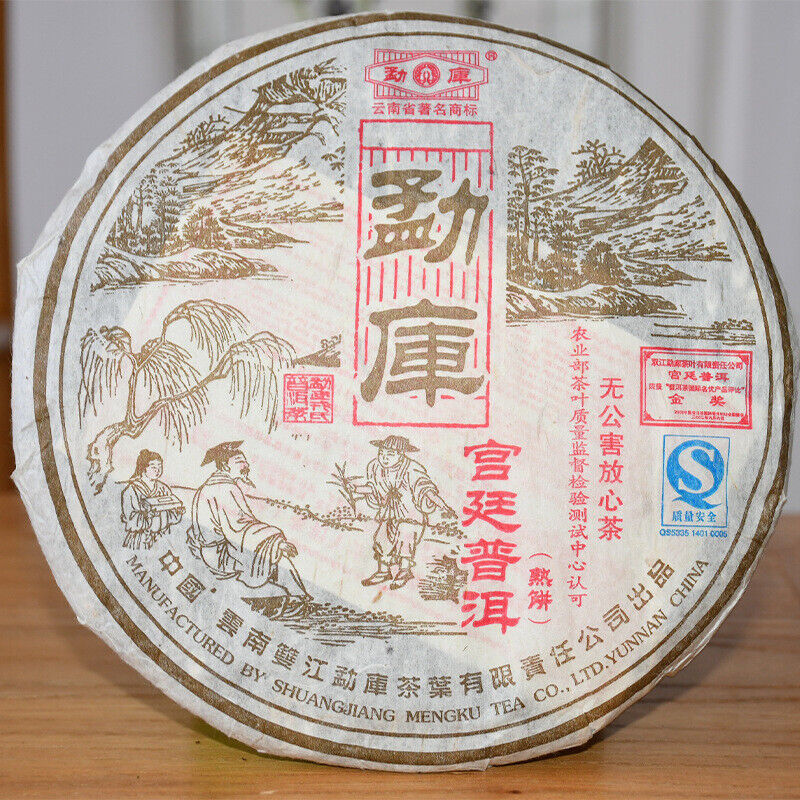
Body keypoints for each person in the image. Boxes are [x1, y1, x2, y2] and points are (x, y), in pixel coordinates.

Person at [187, 441, 308, 612]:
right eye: (239, 461)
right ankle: (296, 598)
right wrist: (277, 542)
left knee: (271, 549)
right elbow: (239, 528)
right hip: (221, 553)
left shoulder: (209, 486)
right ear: (225, 466)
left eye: (245, 461)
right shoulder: (225, 488)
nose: (246, 465)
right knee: (276, 552)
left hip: (216, 549)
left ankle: (295, 597)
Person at [353, 435, 455, 590]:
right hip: (389, 512)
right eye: (381, 453)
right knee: (381, 538)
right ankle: (383, 571)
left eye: (390, 454)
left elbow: (426, 490)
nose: (384, 458)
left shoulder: (412, 469)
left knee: (405, 538)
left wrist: (444, 507)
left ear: (401, 455)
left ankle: (404, 571)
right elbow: (374, 488)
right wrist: (356, 489)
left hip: (410, 515)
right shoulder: (375, 467)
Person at [120, 449, 184, 549]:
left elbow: (171, 517)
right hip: (141, 538)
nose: (157, 470)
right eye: (153, 467)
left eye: (160, 466)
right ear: (143, 467)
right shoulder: (132, 490)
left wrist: (177, 512)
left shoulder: (164, 488)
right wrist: (147, 516)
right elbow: (130, 518)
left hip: (161, 538)